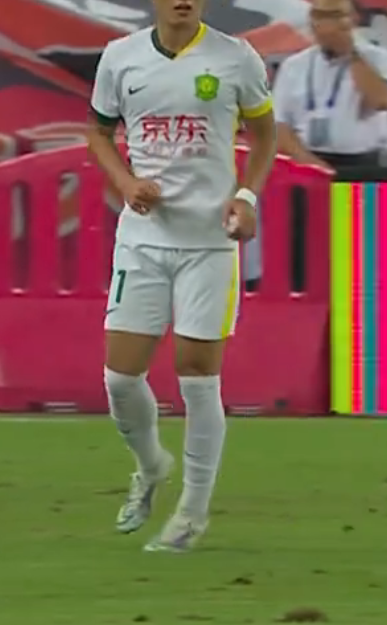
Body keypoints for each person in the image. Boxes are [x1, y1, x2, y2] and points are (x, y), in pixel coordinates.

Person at [86, 0, 277, 552]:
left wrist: (246, 197)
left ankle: (191, 514)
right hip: (143, 241)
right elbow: (98, 132)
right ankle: (151, 465)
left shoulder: (236, 57)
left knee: (197, 376)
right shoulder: (120, 57)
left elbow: (265, 136)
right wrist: (126, 183)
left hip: (209, 242)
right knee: (120, 379)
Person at [272, 0, 387, 171]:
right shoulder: (293, 65)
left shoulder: (377, 58)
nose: (326, 24)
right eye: (319, 16)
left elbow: (381, 101)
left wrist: (350, 53)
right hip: (307, 162)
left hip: (360, 164)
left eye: (335, 16)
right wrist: (309, 162)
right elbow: (279, 124)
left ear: (353, 19)